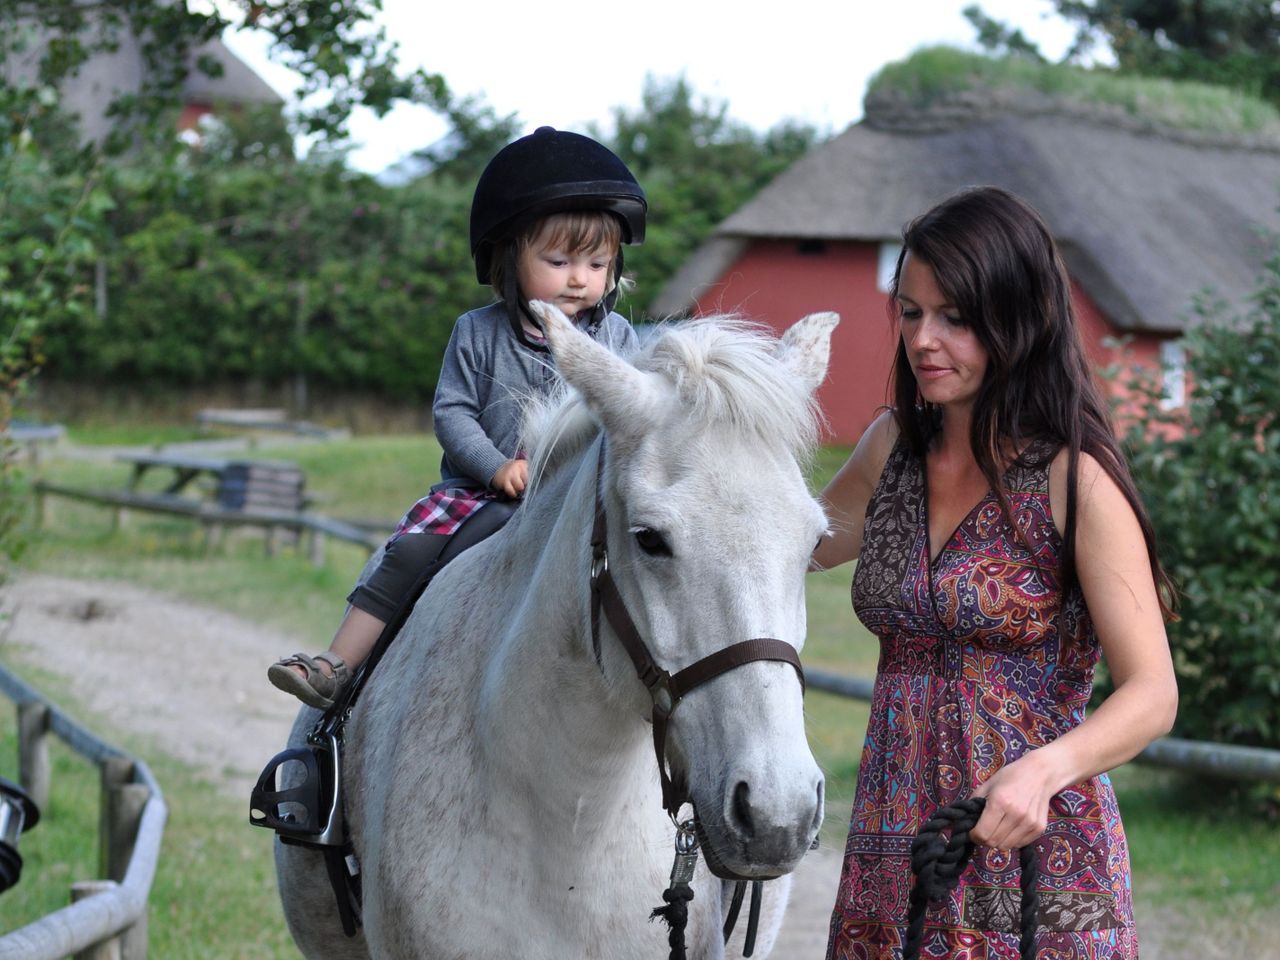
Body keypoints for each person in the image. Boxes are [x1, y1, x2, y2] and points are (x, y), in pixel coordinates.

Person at [815, 187, 1178, 959]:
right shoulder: (890, 450)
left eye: (956, 317)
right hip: (895, 845)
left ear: (1017, 319)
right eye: (910, 313)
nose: (924, 339)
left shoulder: (1074, 478)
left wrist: (1045, 771)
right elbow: (790, 543)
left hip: (1042, 864)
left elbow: (1153, 693)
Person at [267, 126, 647, 708]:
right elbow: (453, 413)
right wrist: (498, 469)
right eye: (559, 259)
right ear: (507, 257)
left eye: (597, 263)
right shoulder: (477, 333)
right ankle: (337, 665)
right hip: (483, 494)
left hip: (580, 498)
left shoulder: (616, 339)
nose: (579, 277)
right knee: (412, 550)